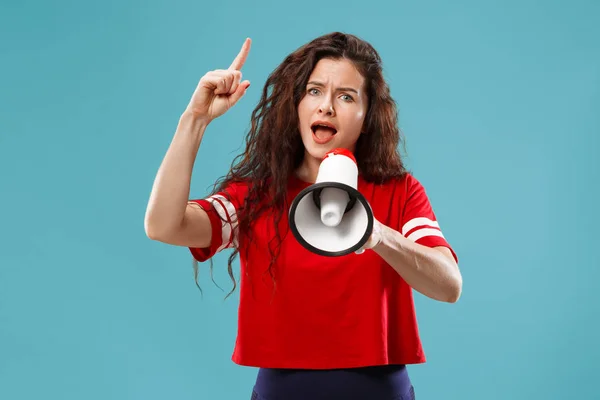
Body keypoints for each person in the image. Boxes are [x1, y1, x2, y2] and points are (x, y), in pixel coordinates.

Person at [145, 32, 462, 400]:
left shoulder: (400, 191)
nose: (326, 106)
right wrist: (195, 120)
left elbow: (449, 285)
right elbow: (163, 225)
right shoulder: (256, 196)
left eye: (346, 96)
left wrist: (376, 234)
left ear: (367, 115)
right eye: (314, 91)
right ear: (296, 104)